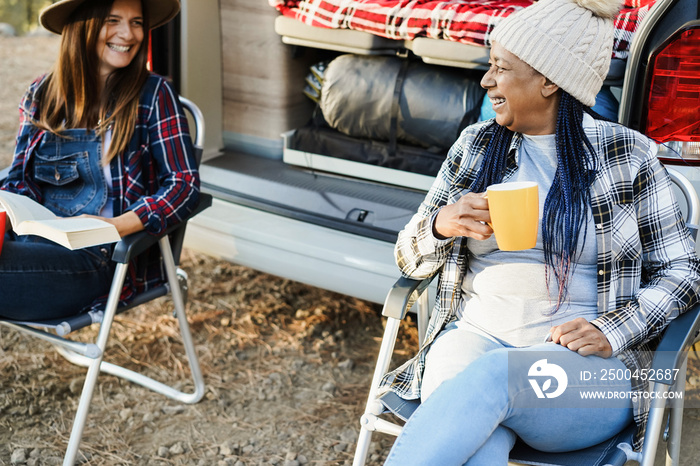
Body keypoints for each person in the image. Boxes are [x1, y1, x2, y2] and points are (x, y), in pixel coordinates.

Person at [379, 0, 700, 463]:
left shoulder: (626, 156)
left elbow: (685, 270)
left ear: (550, 80)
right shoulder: (475, 146)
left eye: (500, 68)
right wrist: (438, 225)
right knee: (480, 433)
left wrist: (613, 330)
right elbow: (407, 258)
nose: (486, 81)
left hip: (586, 372)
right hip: (475, 336)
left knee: (491, 381)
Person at [0, 0, 199, 321]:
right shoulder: (42, 93)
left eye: (136, 22)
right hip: (33, 243)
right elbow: (20, 182)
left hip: (99, 259)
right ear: (83, 25)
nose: (128, 33)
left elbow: (184, 185)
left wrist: (121, 225)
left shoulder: (153, 95)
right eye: (113, 20)